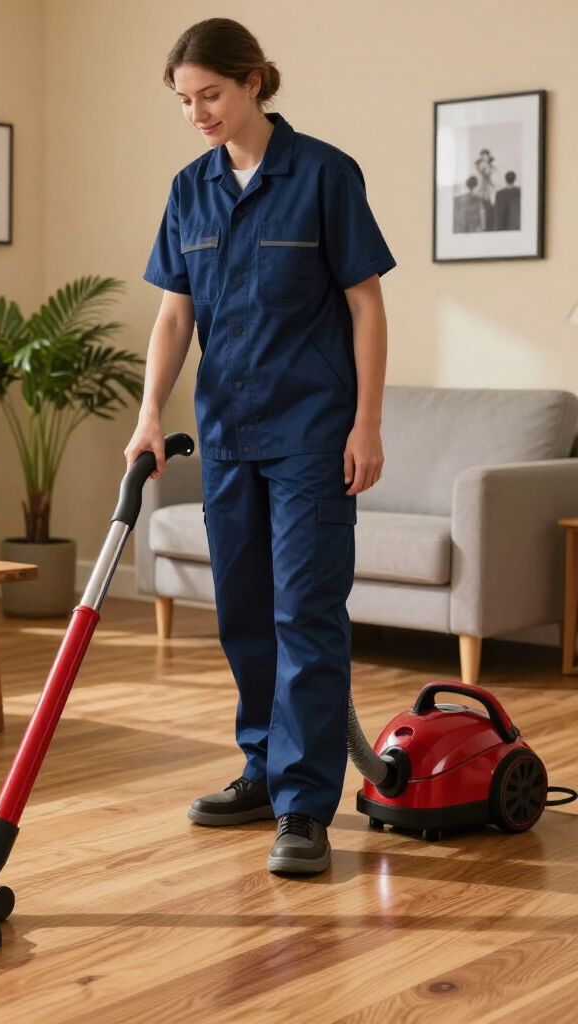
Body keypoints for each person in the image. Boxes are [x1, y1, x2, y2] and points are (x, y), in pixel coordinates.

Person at [127, 18, 395, 875]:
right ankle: (261, 768)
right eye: (184, 100)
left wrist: (368, 423)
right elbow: (175, 314)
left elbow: (365, 305)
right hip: (229, 436)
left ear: (253, 83)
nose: (197, 112)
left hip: (314, 434)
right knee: (244, 611)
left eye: (209, 94)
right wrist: (146, 414)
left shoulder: (323, 174)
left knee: (305, 614)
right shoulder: (189, 190)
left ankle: (305, 807)